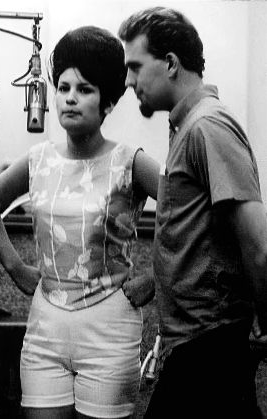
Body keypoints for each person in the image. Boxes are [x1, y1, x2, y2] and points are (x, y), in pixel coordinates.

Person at [0, 26, 159, 419]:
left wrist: (156, 277)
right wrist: (14, 266)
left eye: (84, 89)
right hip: (45, 323)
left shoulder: (130, 161)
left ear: (108, 101)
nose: (70, 98)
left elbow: (189, 212)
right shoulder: (38, 159)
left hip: (110, 325)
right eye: (63, 88)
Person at [118, 7, 267, 418]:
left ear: (170, 63)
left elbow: (257, 243)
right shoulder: (187, 126)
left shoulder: (208, 126)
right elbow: (205, 232)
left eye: (135, 67)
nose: (128, 81)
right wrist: (157, 278)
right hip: (198, 343)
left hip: (211, 345)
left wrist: (265, 323)